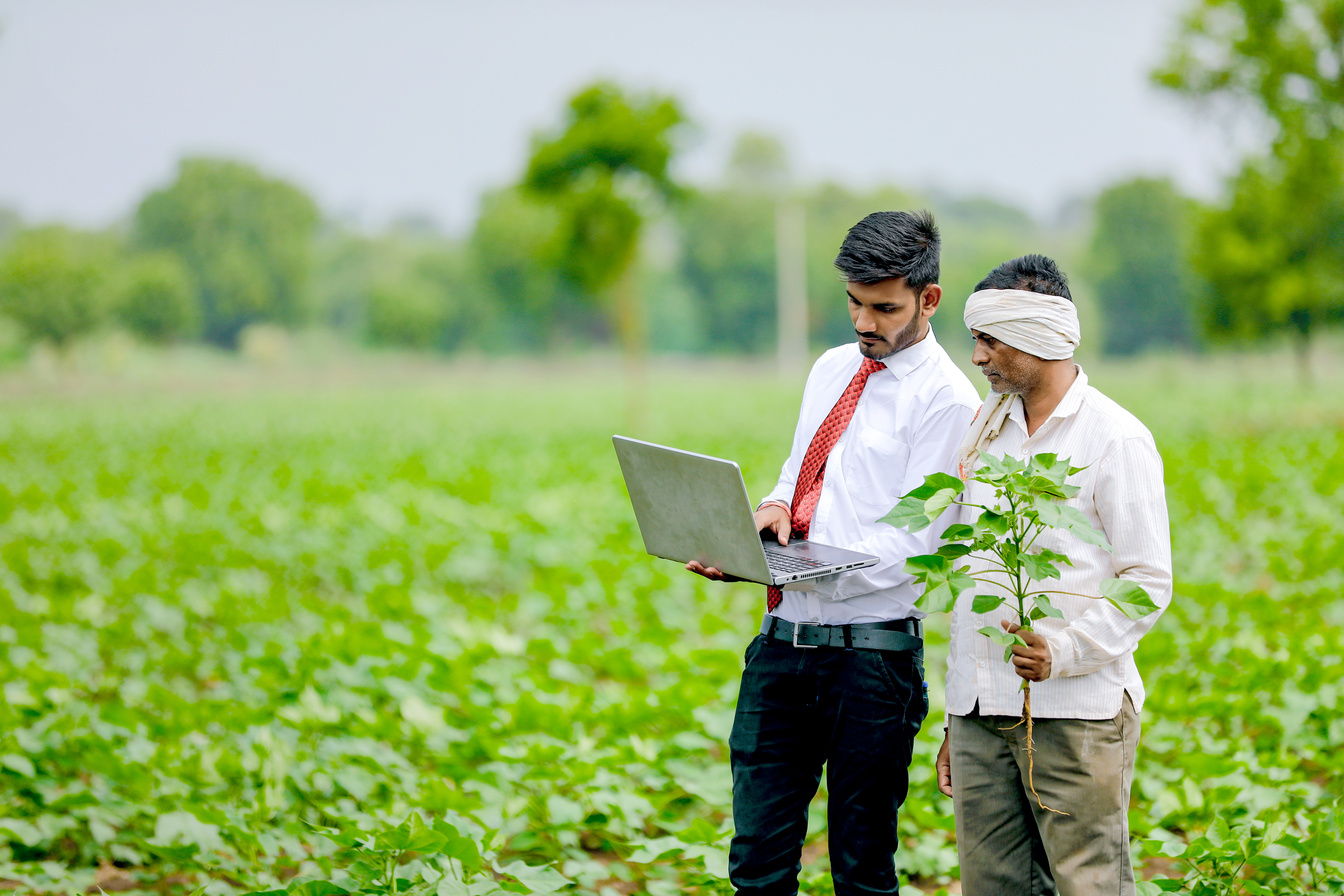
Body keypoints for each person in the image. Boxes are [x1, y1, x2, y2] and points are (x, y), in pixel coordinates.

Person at [688, 210, 979, 895]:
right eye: (853, 302)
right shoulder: (829, 369)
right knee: (755, 861)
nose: (863, 323)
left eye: (883, 308)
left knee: (861, 868)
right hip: (782, 645)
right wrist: (769, 516)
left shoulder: (946, 401)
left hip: (872, 663)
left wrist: (816, 558)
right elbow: (800, 474)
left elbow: (916, 542)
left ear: (928, 299)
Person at [938, 255, 1173, 896]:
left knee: (1087, 884)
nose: (978, 357)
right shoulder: (985, 432)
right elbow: (972, 576)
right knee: (993, 887)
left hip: (1079, 714)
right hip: (982, 711)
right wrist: (960, 718)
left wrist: (1064, 650)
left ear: (1039, 336)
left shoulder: (1114, 439)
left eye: (989, 340)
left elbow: (1147, 579)